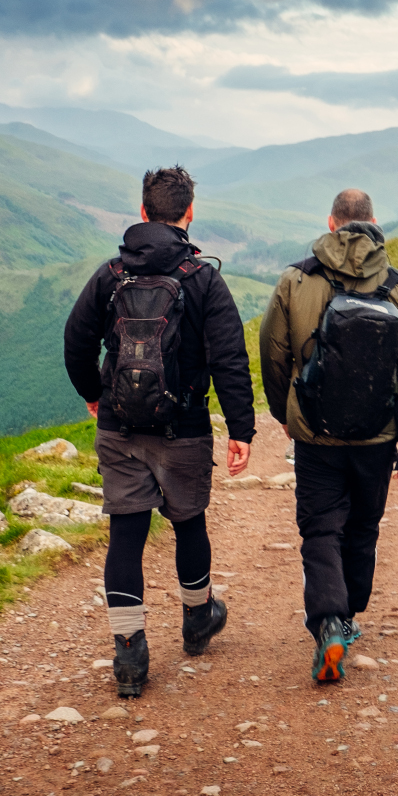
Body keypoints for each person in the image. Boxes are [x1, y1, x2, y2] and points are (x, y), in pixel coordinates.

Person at [63, 167, 256, 698]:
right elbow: (230, 358)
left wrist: (94, 392)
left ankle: (130, 656)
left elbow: (76, 339)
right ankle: (198, 620)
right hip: (186, 425)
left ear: (143, 211)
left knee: (126, 531)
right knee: (188, 522)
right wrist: (241, 428)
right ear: (189, 213)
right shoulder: (203, 278)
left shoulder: (110, 274)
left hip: (119, 425)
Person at [259, 188, 398, 684]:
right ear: (375, 223)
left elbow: (273, 353)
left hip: (315, 435)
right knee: (362, 528)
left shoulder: (296, 279)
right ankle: (349, 616)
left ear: (331, 223)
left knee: (320, 529)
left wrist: (287, 412)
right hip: (377, 438)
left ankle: (329, 621)